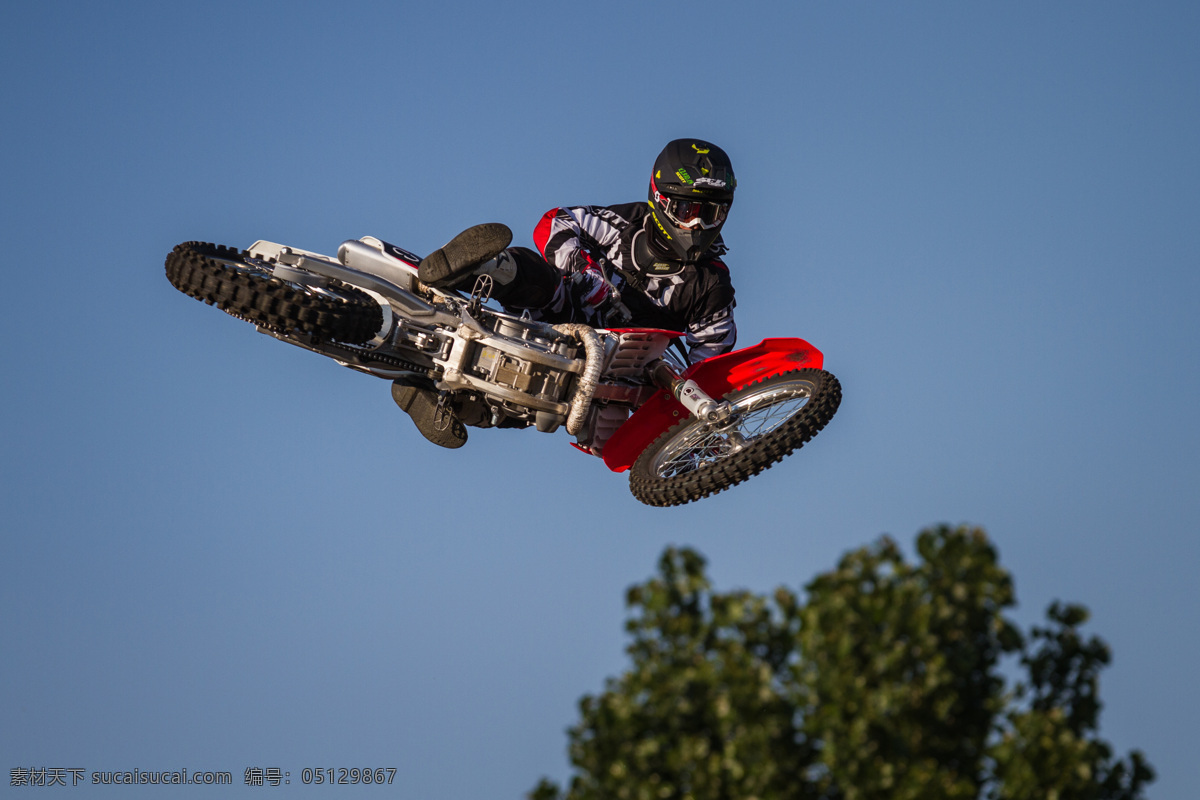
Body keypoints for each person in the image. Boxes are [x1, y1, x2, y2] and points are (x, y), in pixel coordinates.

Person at [394, 138, 738, 448]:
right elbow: (555, 221)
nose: (697, 226)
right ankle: (475, 269)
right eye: (687, 211)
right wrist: (584, 274)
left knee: (544, 407)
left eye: (710, 214)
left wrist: (703, 421)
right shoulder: (624, 224)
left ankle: (443, 401)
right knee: (543, 283)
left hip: (615, 369)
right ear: (660, 199)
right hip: (565, 310)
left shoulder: (711, 284)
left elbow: (710, 364)